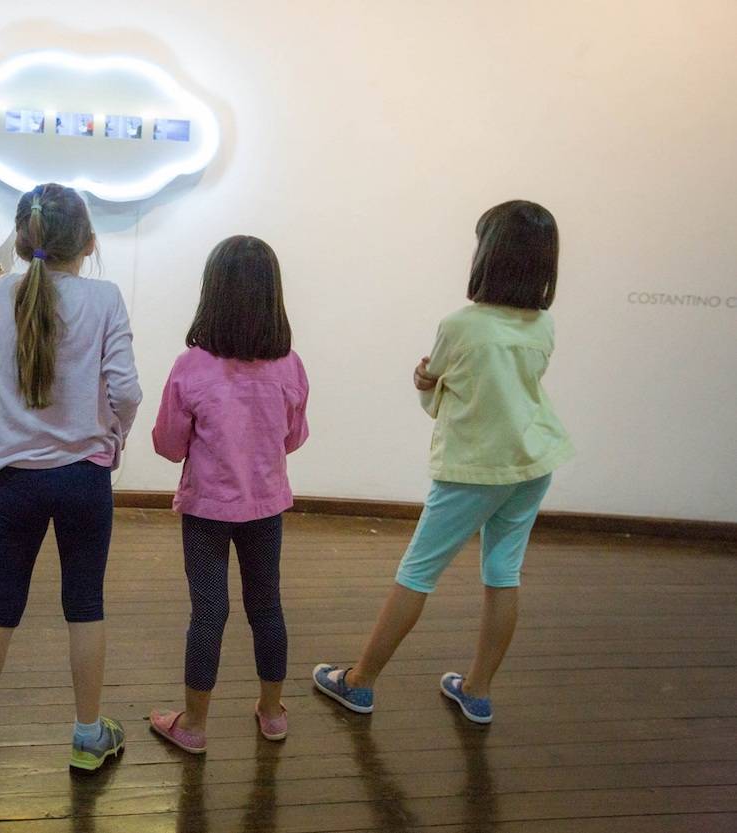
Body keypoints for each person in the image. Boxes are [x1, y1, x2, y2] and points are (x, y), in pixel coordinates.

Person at [313, 200, 573, 724]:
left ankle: (359, 682)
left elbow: (439, 392)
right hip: (533, 462)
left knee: (418, 572)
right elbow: (512, 390)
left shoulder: (461, 326)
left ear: (489, 255)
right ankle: (477, 691)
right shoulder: (542, 326)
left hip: (474, 468)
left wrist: (424, 381)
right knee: (503, 573)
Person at [0, 184, 142, 770]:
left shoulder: (3, 295)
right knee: (85, 603)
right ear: (89, 243)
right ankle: (88, 736)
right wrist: (114, 433)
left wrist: (19, 412)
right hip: (85, 479)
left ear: (21, 240)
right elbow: (127, 390)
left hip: (18, 481)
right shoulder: (105, 297)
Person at [148, 235, 309, 754]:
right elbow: (293, 438)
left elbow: (168, 444)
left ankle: (193, 725)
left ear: (211, 293)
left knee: (208, 612)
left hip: (206, 512)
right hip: (266, 508)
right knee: (267, 607)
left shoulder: (191, 366)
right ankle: (272, 712)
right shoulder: (289, 365)